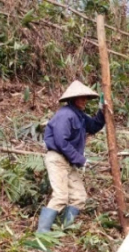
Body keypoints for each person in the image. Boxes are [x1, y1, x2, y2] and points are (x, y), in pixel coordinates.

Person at [36, 81, 107, 233]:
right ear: (72, 99)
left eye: (85, 98)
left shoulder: (79, 115)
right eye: (80, 98)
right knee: (61, 196)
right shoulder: (65, 115)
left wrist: (102, 111)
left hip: (68, 160)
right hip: (58, 159)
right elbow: (61, 141)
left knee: (79, 196)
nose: (84, 101)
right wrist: (81, 159)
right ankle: (42, 235)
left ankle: (63, 230)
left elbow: (94, 126)